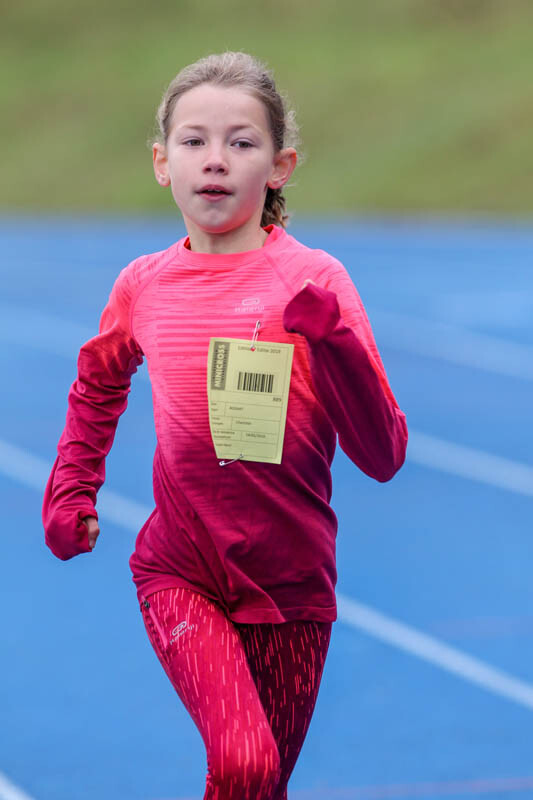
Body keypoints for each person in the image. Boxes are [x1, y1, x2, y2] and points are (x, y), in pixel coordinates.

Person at [42, 50, 408, 800]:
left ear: (279, 166)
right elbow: (99, 380)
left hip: (291, 582)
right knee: (245, 763)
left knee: (255, 785)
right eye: (194, 140)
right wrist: (70, 487)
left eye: (241, 142)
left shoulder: (314, 280)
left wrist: (332, 340)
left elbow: (383, 454)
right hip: (182, 571)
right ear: (162, 162)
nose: (215, 159)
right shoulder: (144, 284)